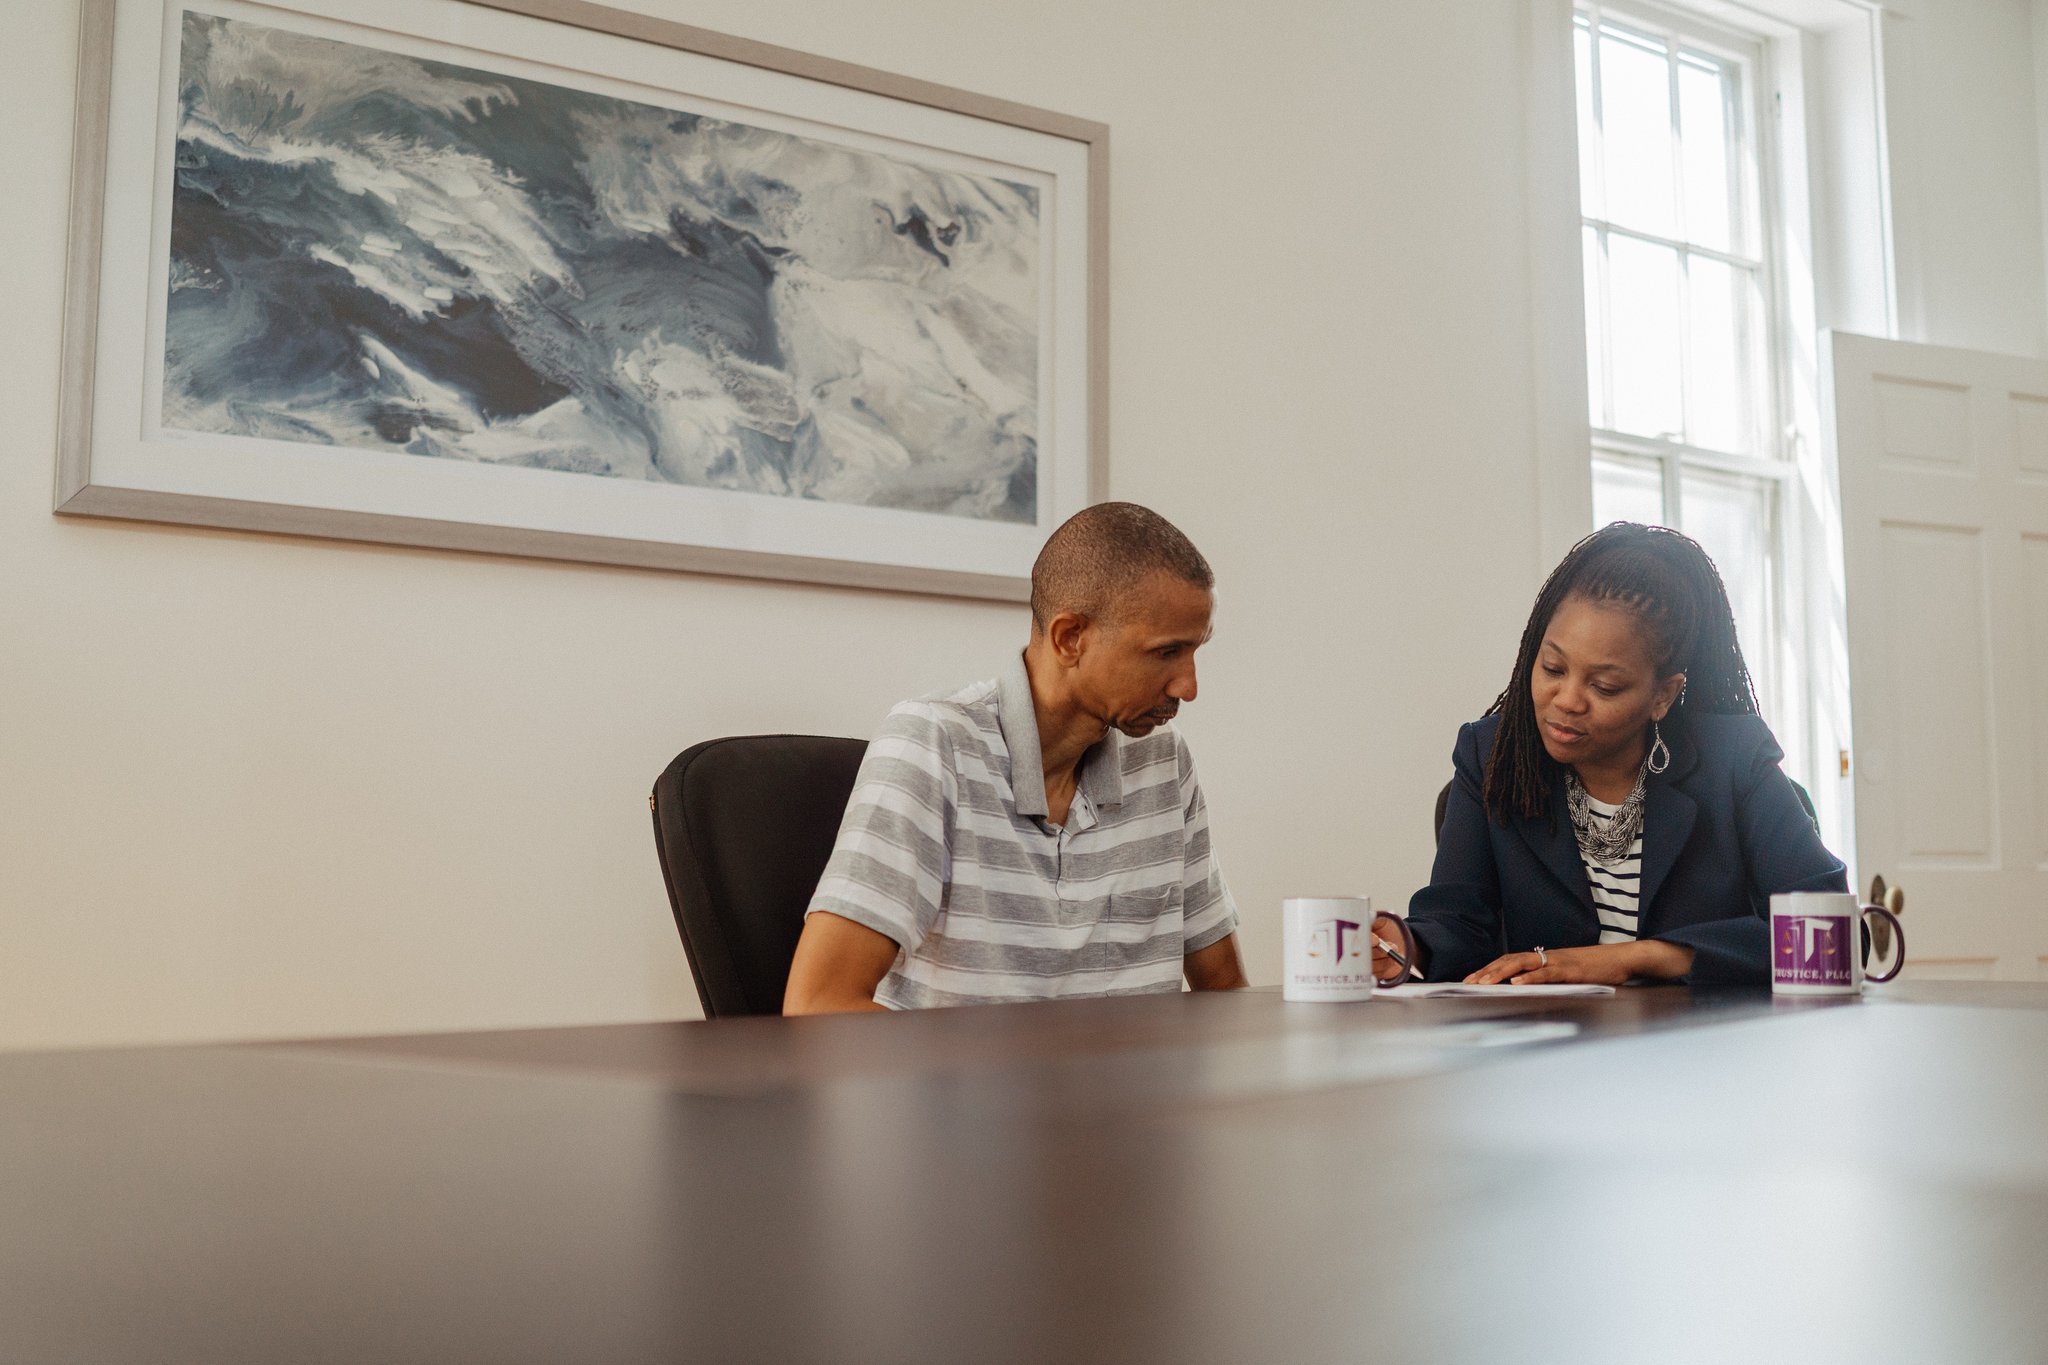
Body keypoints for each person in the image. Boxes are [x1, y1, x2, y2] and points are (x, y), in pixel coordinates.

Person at [783, 502, 1248, 1013]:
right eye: (1166, 653)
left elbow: (1223, 993)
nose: (1190, 686)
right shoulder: (934, 742)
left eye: (1196, 651)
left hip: (1127, 1093)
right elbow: (818, 1006)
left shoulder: (1162, 760)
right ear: (1070, 638)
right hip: (960, 1093)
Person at [1376, 522, 1847, 988]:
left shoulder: (1733, 761)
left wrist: (1636, 958)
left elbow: (1835, 936)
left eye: (1604, 686)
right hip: (1550, 1047)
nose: (1567, 700)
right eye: (1553, 668)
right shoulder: (1491, 754)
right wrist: (1407, 943)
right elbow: (1458, 921)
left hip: (1706, 1049)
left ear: (1663, 695)